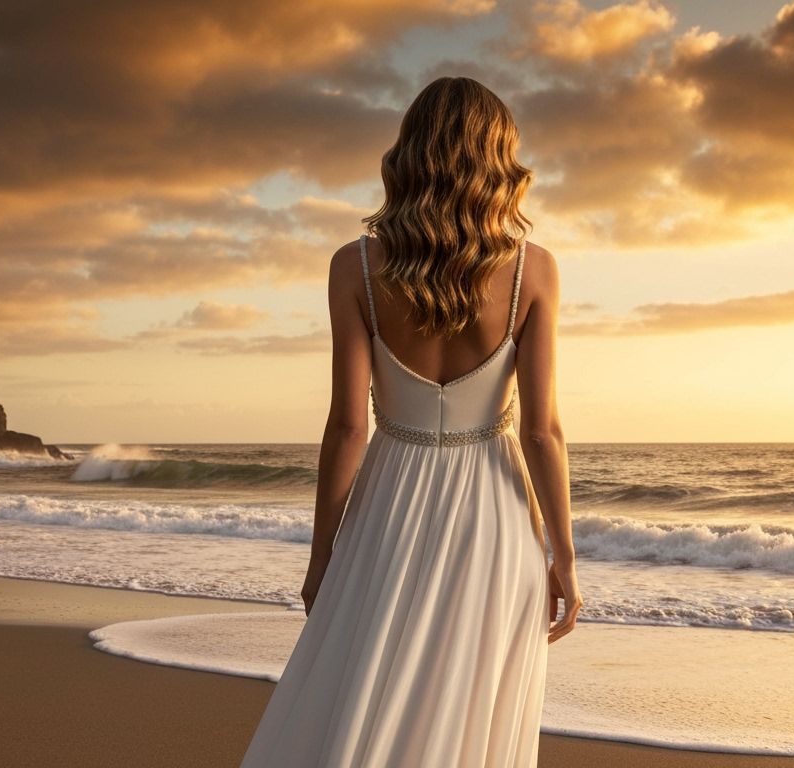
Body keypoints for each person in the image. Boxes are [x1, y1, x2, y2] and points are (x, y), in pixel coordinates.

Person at [240, 76, 581, 768]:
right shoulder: (534, 271)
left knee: (368, 687)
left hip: (388, 504)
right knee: (467, 704)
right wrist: (565, 559)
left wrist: (322, 554)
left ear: (409, 155)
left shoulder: (355, 267)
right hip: (494, 514)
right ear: (497, 160)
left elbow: (347, 428)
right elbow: (541, 432)